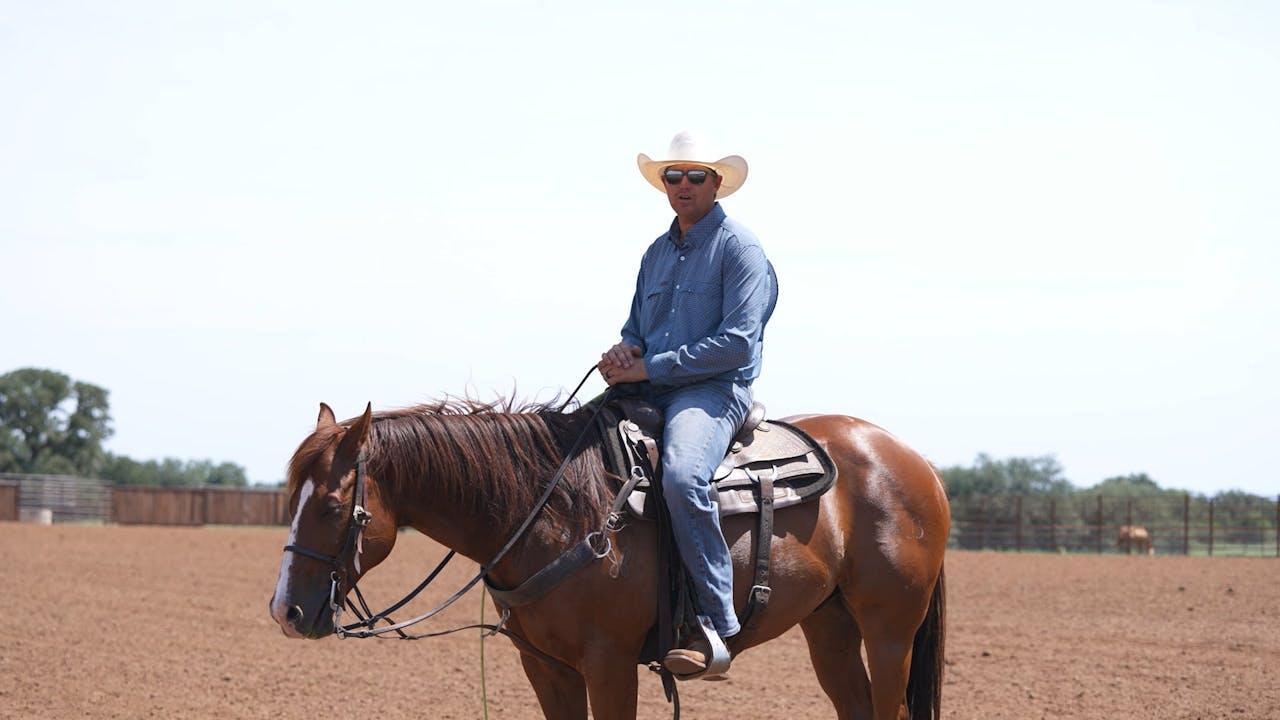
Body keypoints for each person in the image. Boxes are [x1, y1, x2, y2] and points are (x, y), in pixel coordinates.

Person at [597, 131, 778, 677]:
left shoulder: (740, 249)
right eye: (672, 176)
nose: (682, 185)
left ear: (717, 183)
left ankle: (715, 623)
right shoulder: (656, 252)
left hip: (713, 390)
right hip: (649, 386)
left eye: (695, 176)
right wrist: (624, 351)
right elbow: (637, 326)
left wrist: (652, 366)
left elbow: (738, 343)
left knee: (680, 475)